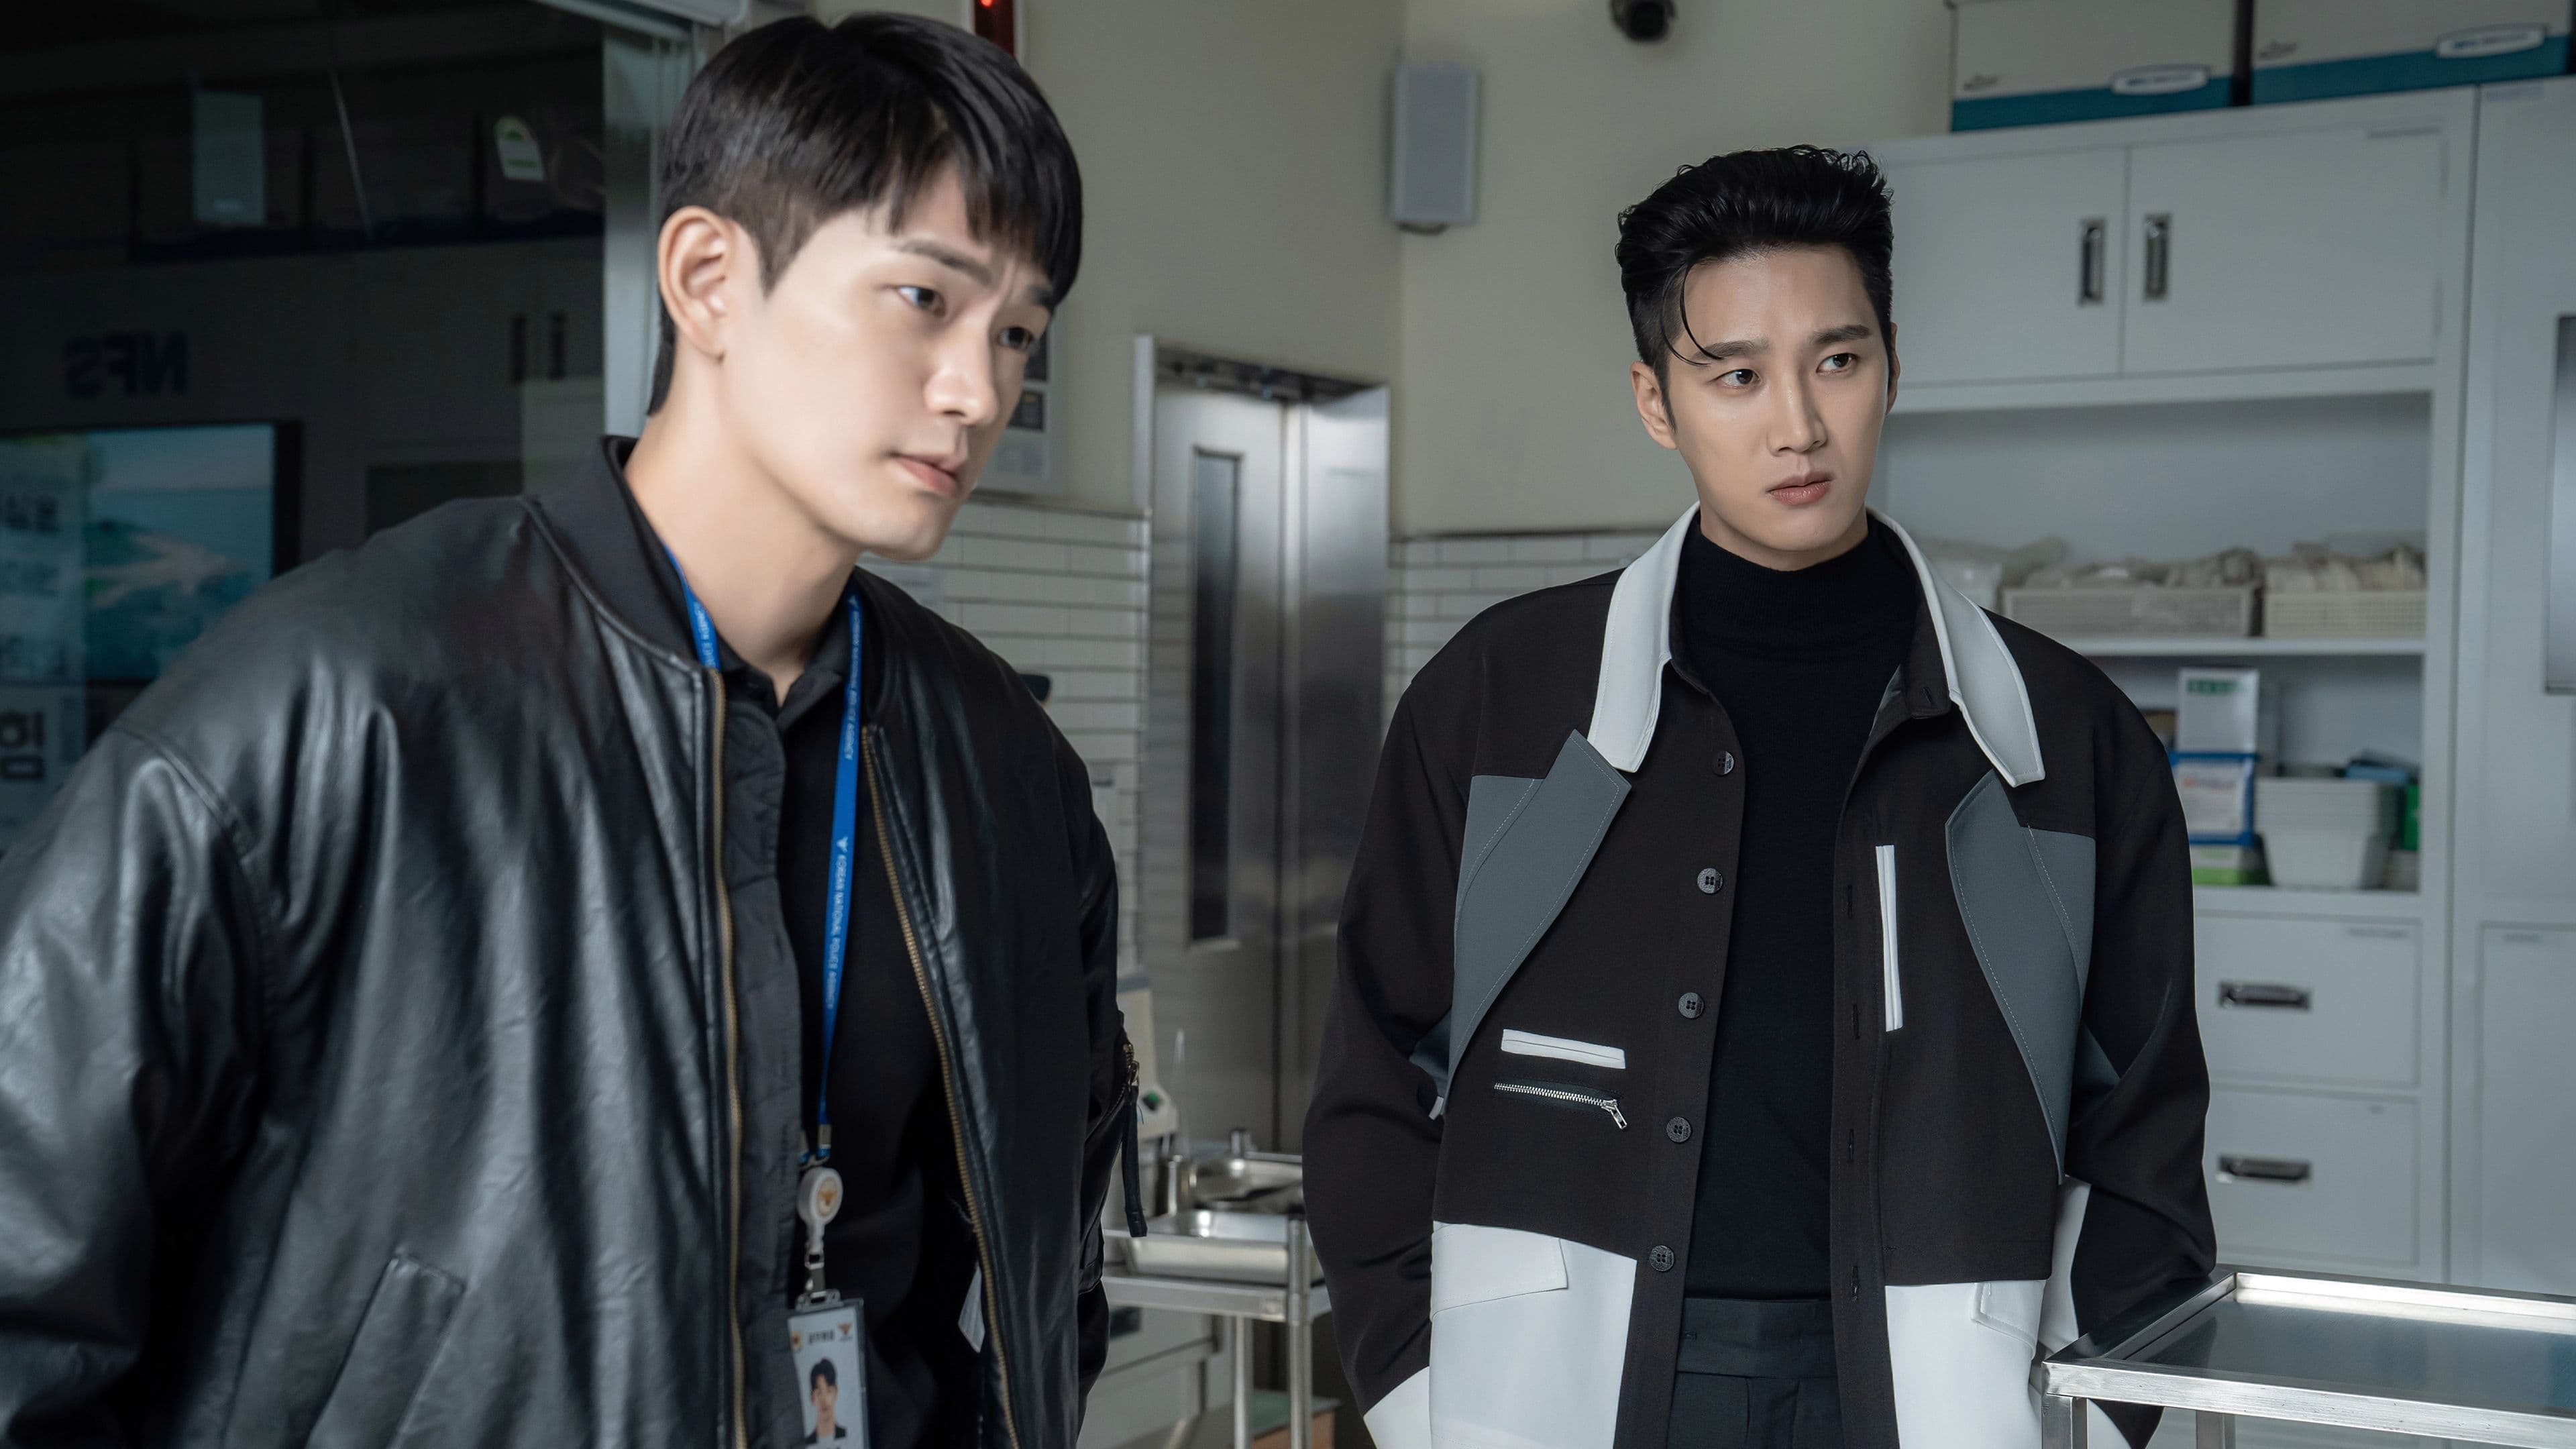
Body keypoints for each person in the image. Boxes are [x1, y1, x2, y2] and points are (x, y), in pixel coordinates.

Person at [0, 15, 1134, 1448]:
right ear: (708, 280)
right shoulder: (338, 701)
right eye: (924, 298)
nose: (978, 390)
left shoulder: (1002, 767)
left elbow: (1038, 1280)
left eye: (1018, 331)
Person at [1303, 146, 2214, 1449]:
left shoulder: (2069, 740)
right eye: (1735, 375)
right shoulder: (1498, 702)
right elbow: (1374, 1085)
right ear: (1656, 401)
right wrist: (1414, 1397)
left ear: (1892, 365)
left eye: (1837, 360)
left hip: (1937, 1403)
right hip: (1574, 1396)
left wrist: (2099, 1423)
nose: (1797, 425)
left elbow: (2148, 1147)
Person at [810, 1358, 851, 1444]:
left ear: (836, 1393)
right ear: (812, 1398)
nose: (824, 1400)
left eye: (829, 1391)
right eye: (819, 1393)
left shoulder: (847, 1435)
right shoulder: (807, 1442)